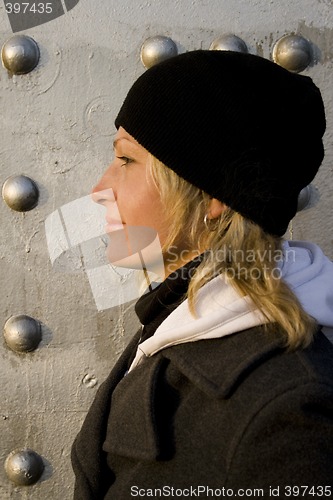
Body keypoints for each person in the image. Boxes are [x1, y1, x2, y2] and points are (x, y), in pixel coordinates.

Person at [71, 50, 333, 499]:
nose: (99, 190)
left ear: (214, 198)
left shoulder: (288, 412)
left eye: (127, 161)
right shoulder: (181, 322)